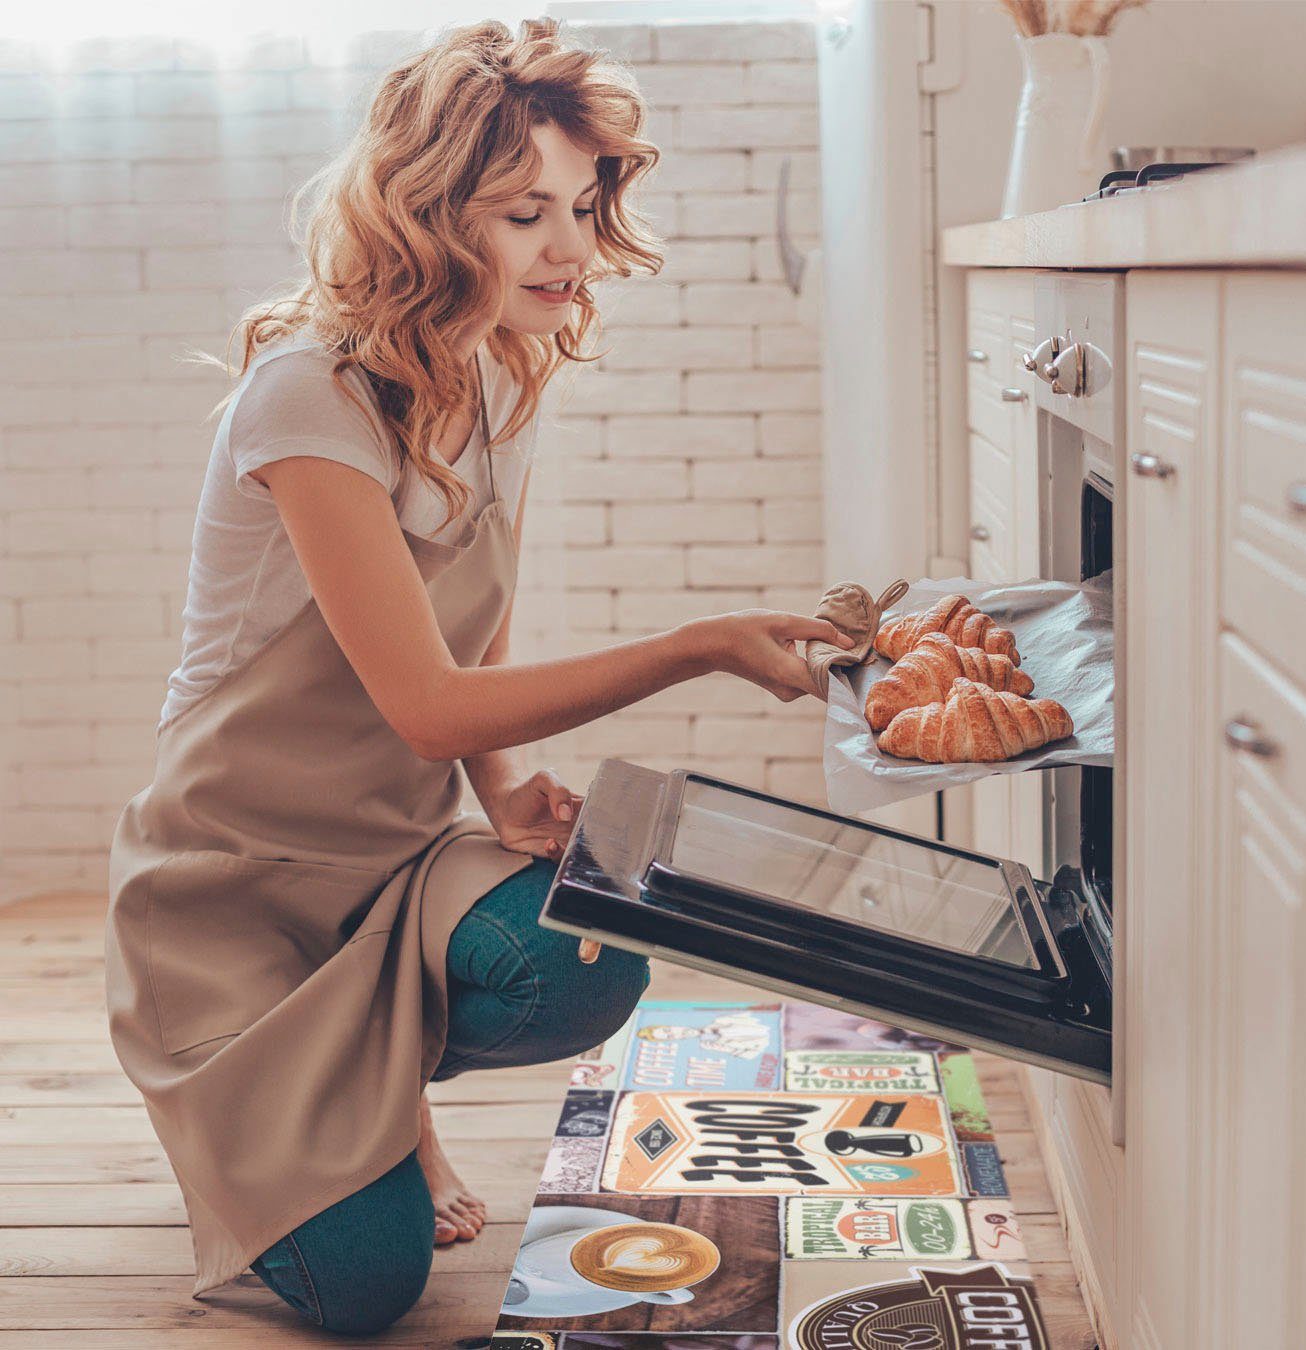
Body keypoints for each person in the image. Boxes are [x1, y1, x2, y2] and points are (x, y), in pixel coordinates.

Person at [101, 18, 850, 1337]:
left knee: (587, 960)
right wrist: (693, 642)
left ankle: (368, 1097)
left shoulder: (499, 371)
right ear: (434, 220)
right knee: (364, 1286)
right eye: (522, 214)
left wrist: (500, 798)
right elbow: (425, 705)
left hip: (388, 858)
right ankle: (243, 1105)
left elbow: (473, 618)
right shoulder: (308, 394)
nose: (568, 246)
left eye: (581, 204)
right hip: (231, 891)